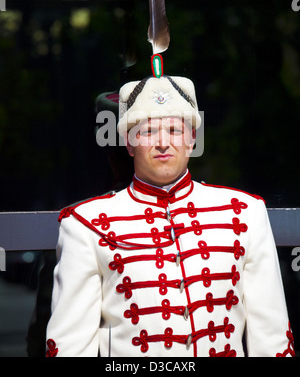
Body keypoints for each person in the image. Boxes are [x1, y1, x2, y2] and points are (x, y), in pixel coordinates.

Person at [46, 74, 295, 357]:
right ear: (129, 143)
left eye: (175, 130)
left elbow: (272, 338)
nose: (163, 143)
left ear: (192, 140)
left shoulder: (246, 213)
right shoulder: (85, 224)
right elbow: (71, 348)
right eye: (149, 131)